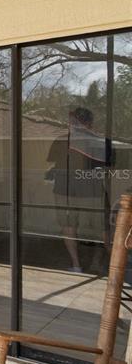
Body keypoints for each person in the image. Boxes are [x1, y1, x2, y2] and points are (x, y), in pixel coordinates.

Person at [46, 107, 106, 273]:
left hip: (79, 192)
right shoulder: (65, 140)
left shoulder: (96, 142)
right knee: (87, 227)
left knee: (92, 228)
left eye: (74, 122)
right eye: (72, 122)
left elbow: (52, 165)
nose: (71, 125)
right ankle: (81, 264)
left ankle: (83, 264)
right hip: (72, 191)